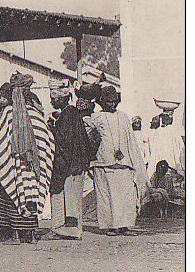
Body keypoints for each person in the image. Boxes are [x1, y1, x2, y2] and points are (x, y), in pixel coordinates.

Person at [0, 73, 54, 244]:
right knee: (30, 194)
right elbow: (47, 140)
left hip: (13, 164)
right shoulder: (36, 113)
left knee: (12, 193)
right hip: (33, 166)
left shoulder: (7, 113)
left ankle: (15, 235)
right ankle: (31, 234)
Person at [84, 86, 147, 236]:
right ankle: (110, 226)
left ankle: (124, 225)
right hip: (103, 163)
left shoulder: (124, 116)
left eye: (114, 101)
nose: (112, 105)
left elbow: (131, 140)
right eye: (109, 102)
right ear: (102, 102)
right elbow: (87, 136)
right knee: (106, 196)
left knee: (125, 196)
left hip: (123, 164)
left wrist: (134, 161)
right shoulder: (96, 118)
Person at [46, 79, 92, 240]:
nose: (52, 101)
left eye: (54, 98)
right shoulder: (69, 113)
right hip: (73, 163)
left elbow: (65, 141)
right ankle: (66, 230)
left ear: (63, 98)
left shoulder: (69, 114)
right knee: (70, 197)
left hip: (71, 164)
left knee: (69, 197)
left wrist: (51, 128)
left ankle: (70, 231)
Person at [147, 111, 184, 177]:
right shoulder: (158, 131)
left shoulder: (174, 131)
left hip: (172, 165)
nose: (165, 120)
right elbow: (153, 148)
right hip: (159, 163)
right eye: (164, 118)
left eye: (167, 118)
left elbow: (181, 148)